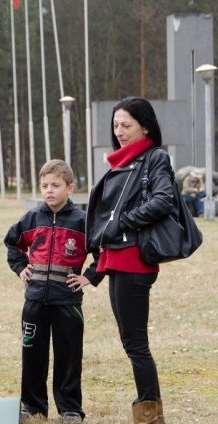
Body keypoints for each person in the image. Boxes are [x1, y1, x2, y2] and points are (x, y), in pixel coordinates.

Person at [86, 97, 171, 423]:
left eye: (127, 125)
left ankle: (149, 414)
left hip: (135, 260)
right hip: (118, 260)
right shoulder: (122, 162)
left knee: (136, 343)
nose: (119, 131)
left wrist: (122, 222)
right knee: (130, 341)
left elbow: (163, 199)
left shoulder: (154, 158)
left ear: (145, 127)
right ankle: (149, 408)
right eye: (116, 125)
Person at [4, 159, 103, 423]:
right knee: (33, 354)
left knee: (69, 356)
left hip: (67, 302)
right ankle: (33, 406)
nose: (49, 190)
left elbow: (103, 252)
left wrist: (89, 277)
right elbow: (12, 243)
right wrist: (20, 266)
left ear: (69, 188)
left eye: (55, 185)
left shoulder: (83, 221)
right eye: (44, 185)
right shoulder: (32, 218)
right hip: (35, 300)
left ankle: (70, 407)